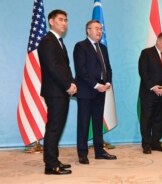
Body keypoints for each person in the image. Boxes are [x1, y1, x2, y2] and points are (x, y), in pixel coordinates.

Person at [38, 9, 77, 175]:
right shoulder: (47, 41)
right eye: (61, 19)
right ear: (51, 21)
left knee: (57, 126)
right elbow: (52, 68)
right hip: (55, 91)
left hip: (61, 90)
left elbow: (65, 68)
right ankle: (50, 165)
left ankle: (54, 159)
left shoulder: (58, 41)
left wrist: (72, 83)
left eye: (66, 20)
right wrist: (67, 85)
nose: (64, 23)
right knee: (54, 127)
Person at [73, 20, 117, 164]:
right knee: (84, 123)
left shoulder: (103, 48)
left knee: (98, 123)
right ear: (88, 30)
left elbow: (108, 68)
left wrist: (108, 82)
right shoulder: (80, 46)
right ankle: (82, 153)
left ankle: (99, 151)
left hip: (101, 91)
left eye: (101, 29)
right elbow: (81, 71)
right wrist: (96, 85)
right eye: (97, 29)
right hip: (86, 91)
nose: (100, 31)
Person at [138, 32, 162, 154]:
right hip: (149, 93)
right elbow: (143, 72)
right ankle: (146, 144)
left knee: (159, 119)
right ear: (158, 41)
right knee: (147, 119)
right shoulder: (146, 53)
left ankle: (155, 142)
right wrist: (153, 87)